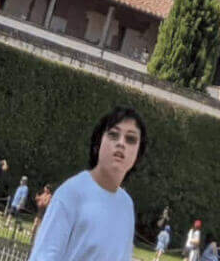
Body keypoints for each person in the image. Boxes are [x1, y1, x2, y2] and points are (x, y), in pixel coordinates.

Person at [29, 107, 144, 261]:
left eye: (131, 139)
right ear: (98, 144)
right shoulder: (71, 193)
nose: (121, 143)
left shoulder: (126, 205)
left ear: (138, 153)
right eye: (113, 135)